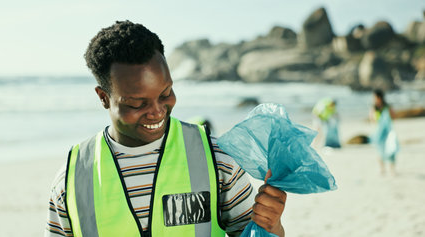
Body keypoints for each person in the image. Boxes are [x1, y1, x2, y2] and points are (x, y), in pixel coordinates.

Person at [45, 21, 286, 237]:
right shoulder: (72, 179)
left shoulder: (217, 160)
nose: (157, 111)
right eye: (137, 103)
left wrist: (272, 227)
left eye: (165, 93)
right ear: (103, 97)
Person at [370, 89, 399, 175]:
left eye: (374, 97)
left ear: (379, 97)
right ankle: (382, 169)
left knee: (391, 150)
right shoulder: (374, 107)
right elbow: (372, 119)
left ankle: (392, 169)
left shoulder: (387, 107)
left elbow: (393, 117)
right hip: (379, 133)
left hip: (388, 132)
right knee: (380, 151)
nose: (374, 99)